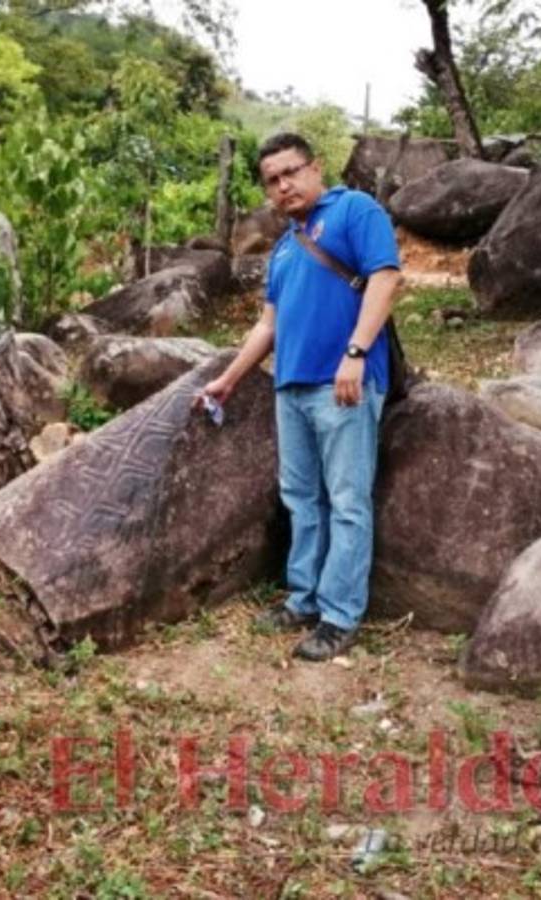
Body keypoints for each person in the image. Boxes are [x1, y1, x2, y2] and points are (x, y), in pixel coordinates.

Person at [199, 132, 401, 661]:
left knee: (347, 501)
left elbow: (385, 277)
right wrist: (230, 378)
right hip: (291, 387)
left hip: (343, 384)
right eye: (273, 179)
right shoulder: (286, 247)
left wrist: (355, 353)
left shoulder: (355, 209)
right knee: (301, 499)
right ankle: (305, 596)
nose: (284, 185)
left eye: (292, 172)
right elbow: (269, 325)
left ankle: (339, 615)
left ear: (316, 168)